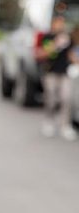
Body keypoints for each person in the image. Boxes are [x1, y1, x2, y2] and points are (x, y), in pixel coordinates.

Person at [36, 13, 77, 141]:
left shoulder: (68, 37)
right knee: (51, 98)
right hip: (51, 72)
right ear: (53, 24)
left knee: (66, 98)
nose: (60, 25)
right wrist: (56, 45)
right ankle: (49, 122)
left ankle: (65, 125)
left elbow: (71, 54)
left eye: (62, 23)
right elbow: (41, 54)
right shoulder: (48, 37)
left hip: (65, 72)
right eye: (58, 23)